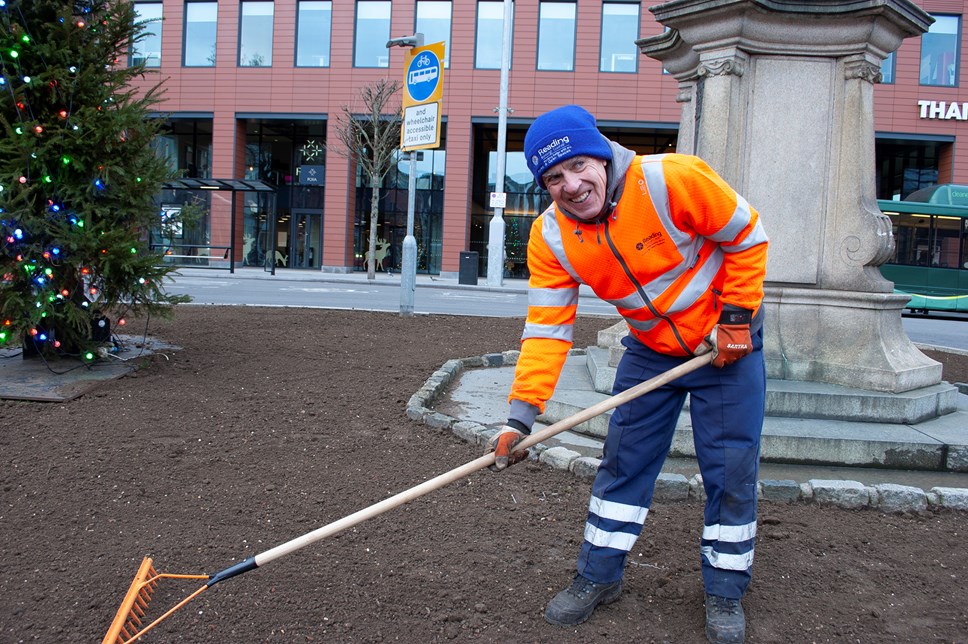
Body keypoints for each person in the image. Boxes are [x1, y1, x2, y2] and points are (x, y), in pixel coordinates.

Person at [486, 105, 768, 644]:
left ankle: (726, 590)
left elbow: (748, 236)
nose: (571, 185)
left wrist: (736, 320)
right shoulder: (550, 237)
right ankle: (598, 575)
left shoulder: (670, 179)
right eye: (553, 178)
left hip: (724, 346)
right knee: (623, 463)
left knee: (731, 469)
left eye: (577, 166)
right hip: (650, 349)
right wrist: (519, 420)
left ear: (601, 154)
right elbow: (546, 331)